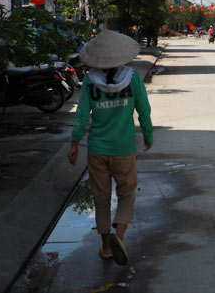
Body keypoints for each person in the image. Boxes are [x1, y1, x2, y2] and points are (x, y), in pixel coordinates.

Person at [67, 29, 153, 266]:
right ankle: (119, 236)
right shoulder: (133, 78)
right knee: (126, 195)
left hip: (97, 150)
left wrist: (74, 143)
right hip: (124, 149)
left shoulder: (89, 82)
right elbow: (143, 111)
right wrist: (148, 135)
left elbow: (82, 116)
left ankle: (106, 246)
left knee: (101, 199)